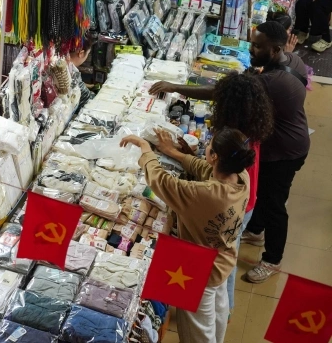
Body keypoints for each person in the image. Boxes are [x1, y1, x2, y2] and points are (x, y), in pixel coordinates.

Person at [149, 21, 310, 284]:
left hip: (284, 151)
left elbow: (220, 93)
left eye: (257, 46)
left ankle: (272, 260)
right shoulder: (292, 61)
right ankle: (255, 229)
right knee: (263, 194)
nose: (251, 49)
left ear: (275, 49)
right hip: (286, 142)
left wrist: (176, 87)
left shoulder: (269, 83)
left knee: (274, 203)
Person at [121, 128, 253, 343]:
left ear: (215, 156)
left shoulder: (205, 195)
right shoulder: (241, 177)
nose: (206, 146)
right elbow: (204, 168)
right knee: (218, 311)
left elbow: (162, 182)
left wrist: (145, 149)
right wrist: (173, 152)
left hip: (200, 270)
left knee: (198, 332)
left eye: (209, 145)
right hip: (224, 259)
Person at [210, 73, 274, 314]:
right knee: (230, 256)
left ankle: (225, 310)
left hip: (236, 208)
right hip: (248, 203)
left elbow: (221, 176)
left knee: (225, 262)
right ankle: (225, 308)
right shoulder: (251, 130)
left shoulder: (235, 141)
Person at [69, 38, 95, 109]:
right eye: (87, 54)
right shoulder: (70, 73)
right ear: (81, 53)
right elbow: (87, 99)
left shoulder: (63, 63)